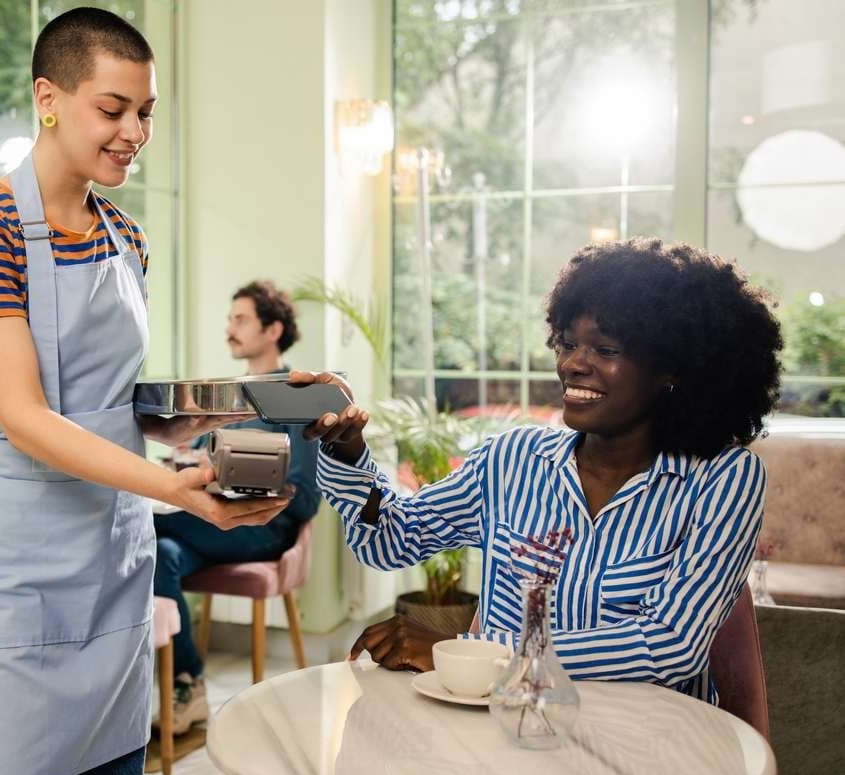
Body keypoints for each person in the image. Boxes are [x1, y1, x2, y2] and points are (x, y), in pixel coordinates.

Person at [0, 9, 289, 775]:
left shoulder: (125, 236)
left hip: (110, 571)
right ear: (47, 99)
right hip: (14, 579)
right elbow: (24, 417)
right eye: (113, 109)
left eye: (146, 112)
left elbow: (110, 405)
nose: (135, 132)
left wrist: (234, 405)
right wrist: (173, 490)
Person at [298, 237, 782, 703]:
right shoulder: (512, 460)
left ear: (672, 369)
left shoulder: (723, 480)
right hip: (509, 730)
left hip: (644, 740)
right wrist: (348, 452)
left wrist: (479, 654)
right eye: (567, 344)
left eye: (605, 350)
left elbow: (670, 646)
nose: (572, 364)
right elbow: (390, 540)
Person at [153, 280, 321, 735]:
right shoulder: (228, 395)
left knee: (142, 524)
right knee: (158, 553)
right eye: (230, 319)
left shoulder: (296, 395)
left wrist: (244, 474)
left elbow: (306, 497)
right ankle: (188, 684)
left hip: (264, 529)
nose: (230, 328)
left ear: (273, 330)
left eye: (241, 320)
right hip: (211, 524)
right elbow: (199, 458)